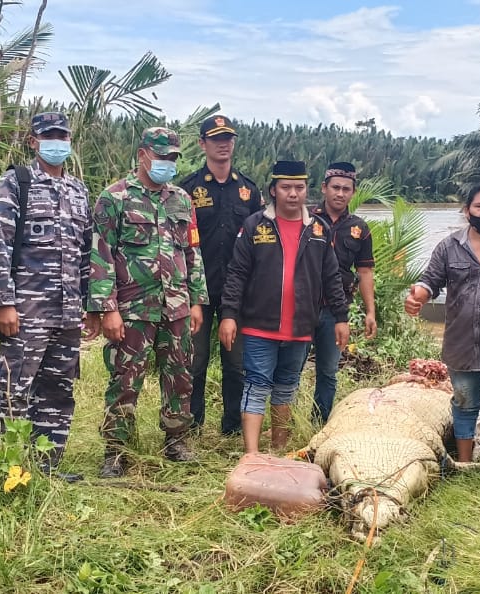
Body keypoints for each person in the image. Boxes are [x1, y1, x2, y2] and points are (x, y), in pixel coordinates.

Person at [0, 112, 91, 483]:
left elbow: (85, 252)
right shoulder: (16, 183)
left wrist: (89, 305)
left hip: (68, 311)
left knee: (57, 391)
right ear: (33, 141)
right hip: (26, 310)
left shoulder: (77, 190)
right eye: (48, 135)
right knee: (11, 391)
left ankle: (45, 468)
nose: (57, 141)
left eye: (62, 135)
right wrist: (3, 303)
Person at [87, 127, 207, 478]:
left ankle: (176, 440)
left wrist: (197, 300)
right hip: (133, 308)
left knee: (180, 376)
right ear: (142, 155)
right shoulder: (114, 198)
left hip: (177, 306)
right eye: (161, 156)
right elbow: (101, 255)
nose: (167, 163)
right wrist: (106, 309)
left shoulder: (182, 200)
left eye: (172, 157)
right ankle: (116, 449)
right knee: (125, 379)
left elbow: (192, 252)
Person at [219, 160, 350, 454]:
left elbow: (332, 277)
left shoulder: (319, 229)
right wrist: (229, 315)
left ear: (307, 191)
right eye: (286, 187)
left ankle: (278, 451)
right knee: (256, 385)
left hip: (301, 326)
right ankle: (252, 454)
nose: (293, 193)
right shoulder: (254, 225)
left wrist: (341, 318)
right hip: (259, 325)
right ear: (274, 190)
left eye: (299, 187)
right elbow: (237, 273)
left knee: (286, 389)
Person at [406, 180, 480, 480]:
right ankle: (464, 466)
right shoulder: (449, 246)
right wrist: (418, 295)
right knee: (464, 404)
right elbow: (430, 280)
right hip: (461, 344)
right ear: (467, 210)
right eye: (479, 206)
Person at [180, 115, 262, 435]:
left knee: (236, 364)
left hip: (238, 293)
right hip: (198, 290)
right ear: (203, 144)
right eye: (215, 139)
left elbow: (258, 242)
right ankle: (191, 427)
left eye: (228, 138)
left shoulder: (248, 190)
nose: (223, 144)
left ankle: (233, 429)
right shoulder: (188, 189)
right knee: (195, 362)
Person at [307, 161, 376, 424]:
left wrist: (370, 312)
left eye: (347, 189)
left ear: (353, 192)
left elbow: (365, 271)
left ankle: (318, 424)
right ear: (324, 188)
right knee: (290, 368)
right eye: (335, 187)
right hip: (303, 306)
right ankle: (283, 425)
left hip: (337, 312)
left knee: (328, 370)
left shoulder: (359, 228)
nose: (340, 193)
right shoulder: (306, 219)